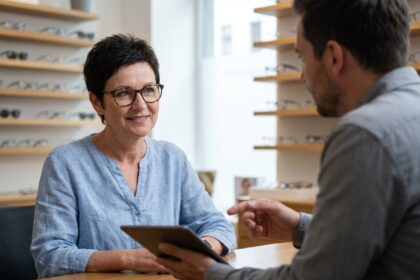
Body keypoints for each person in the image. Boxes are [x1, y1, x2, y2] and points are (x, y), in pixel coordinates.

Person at [156, 0, 420, 279]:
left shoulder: (365, 135)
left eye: (303, 59)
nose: (302, 74)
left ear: (333, 57)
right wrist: (300, 226)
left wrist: (211, 273)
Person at [30, 34, 236, 278]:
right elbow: (49, 256)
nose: (141, 105)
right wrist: (129, 258)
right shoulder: (64, 163)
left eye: (149, 90)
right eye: (124, 93)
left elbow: (219, 227)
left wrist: (199, 250)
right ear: (97, 103)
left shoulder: (173, 159)